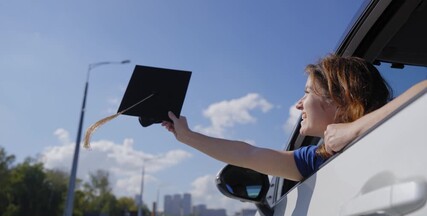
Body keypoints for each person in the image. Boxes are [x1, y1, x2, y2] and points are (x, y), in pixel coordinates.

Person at [162, 55, 427, 181]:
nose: (298, 104)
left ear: (340, 96)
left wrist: (355, 129)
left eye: (308, 92)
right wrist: (187, 136)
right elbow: (248, 155)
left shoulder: (405, 129)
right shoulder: (315, 158)